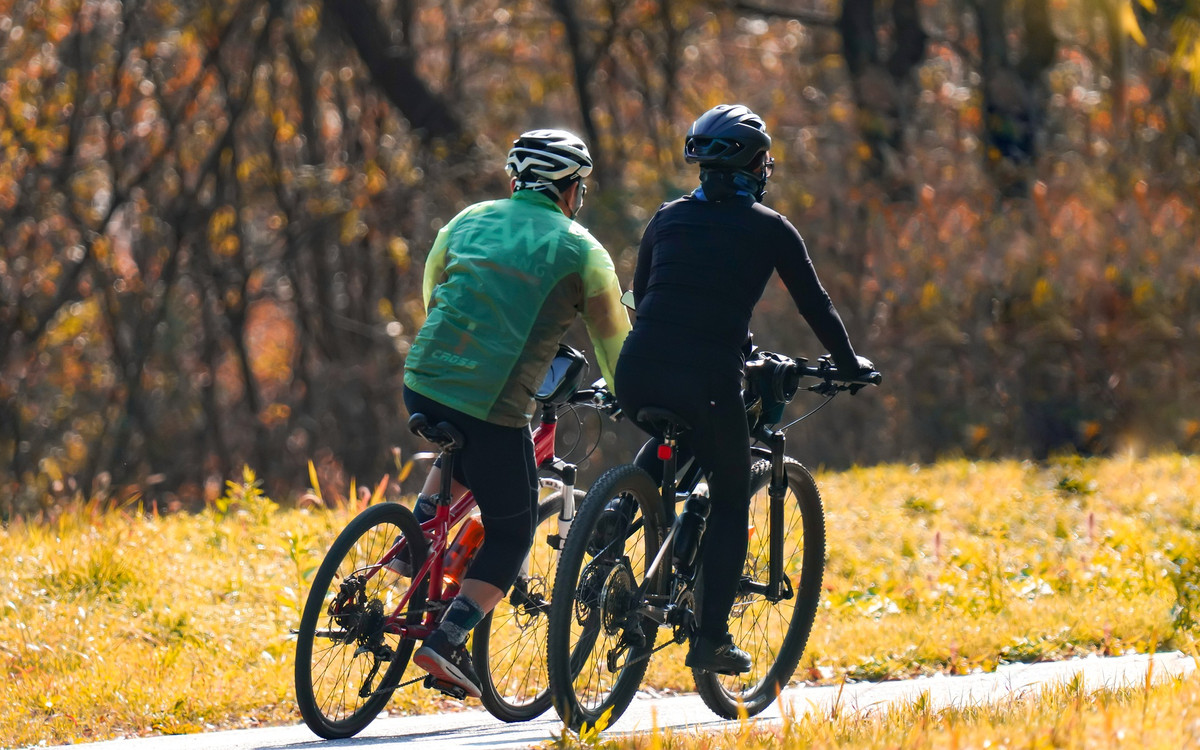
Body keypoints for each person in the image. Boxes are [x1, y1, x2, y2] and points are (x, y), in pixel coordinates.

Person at [614, 104, 875, 674]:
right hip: (706, 380)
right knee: (732, 495)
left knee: (673, 438)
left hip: (636, 371)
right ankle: (710, 640)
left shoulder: (665, 218)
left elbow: (645, 295)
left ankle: (612, 525)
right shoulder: (768, 227)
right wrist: (849, 365)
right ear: (756, 166)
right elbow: (816, 305)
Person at [403, 129, 631, 697]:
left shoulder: (468, 219)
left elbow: (435, 290)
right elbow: (612, 339)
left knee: (463, 451)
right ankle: (447, 640)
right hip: (493, 401)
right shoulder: (582, 249)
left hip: (422, 379)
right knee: (513, 530)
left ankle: (408, 550)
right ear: (570, 189)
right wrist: (628, 390)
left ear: (515, 180)